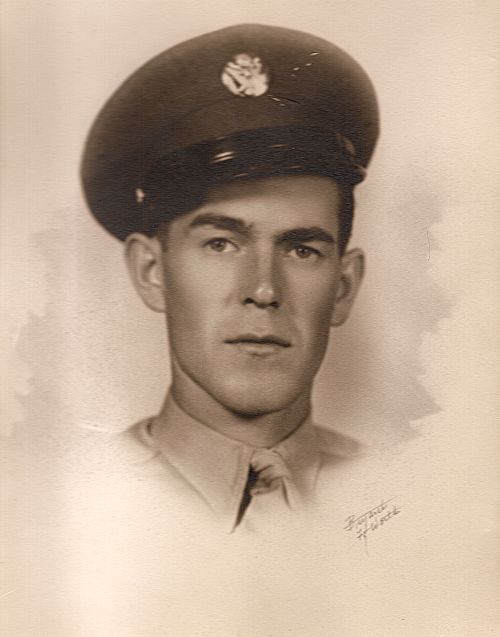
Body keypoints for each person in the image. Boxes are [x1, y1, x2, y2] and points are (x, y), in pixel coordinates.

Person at [81, 23, 379, 533]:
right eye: (220, 244)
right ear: (152, 271)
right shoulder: (57, 504)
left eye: (302, 250)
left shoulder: (414, 497)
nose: (263, 290)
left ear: (344, 287)